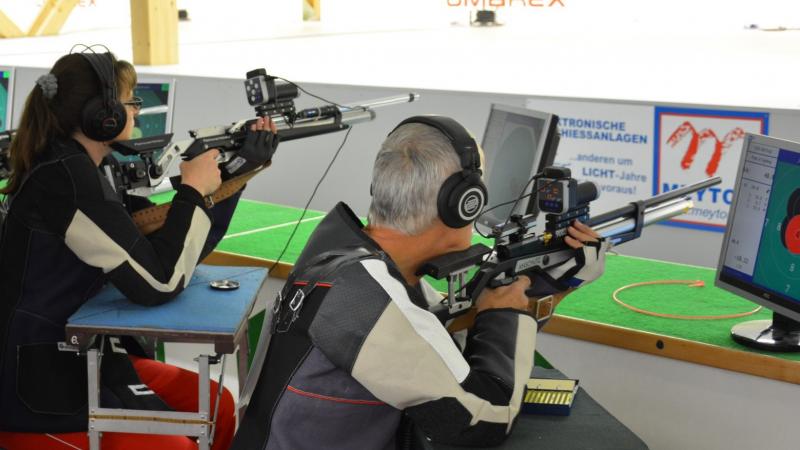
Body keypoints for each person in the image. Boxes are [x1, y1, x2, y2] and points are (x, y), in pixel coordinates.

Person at [231, 115, 610, 449]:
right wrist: (507, 314)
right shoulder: (364, 298)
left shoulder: (346, 256)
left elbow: (436, 344)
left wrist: (551, 285)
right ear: (464, 203)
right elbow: (486, 416)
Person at [0, 49, 277, 450]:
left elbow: (168, 250)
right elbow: (160, 282)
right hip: (41, 388)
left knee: (217, 404)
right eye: (131, 102)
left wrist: (236, 171)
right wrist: (192, 190)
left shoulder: (84, 167)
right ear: (102, 114)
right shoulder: (67, 178)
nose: (136, 111)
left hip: (84, 360)